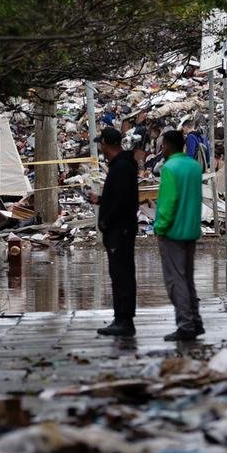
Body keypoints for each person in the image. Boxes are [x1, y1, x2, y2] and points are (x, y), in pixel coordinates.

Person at [88, 127, 139, 336]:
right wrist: (100, 200)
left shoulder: (122, 167)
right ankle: (121, 318)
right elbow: (119, 197)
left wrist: (107, 221)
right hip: (120, 228)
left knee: (122, 275)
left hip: (120, 230)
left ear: (106, 144)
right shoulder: (121, 165)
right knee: (119, 274)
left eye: (101, 143)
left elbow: (121, 201)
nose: (100, 146)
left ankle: (124, 320)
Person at [154, 130, 204, 341]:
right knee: (188, 279)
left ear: (168, 146)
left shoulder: (169, 168)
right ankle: (196, 321)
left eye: (163, 145)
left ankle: (185, 324)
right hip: (191, 230)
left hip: (173, 232)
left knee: (176, 281)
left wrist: (159, 228)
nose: (161, 149)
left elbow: (168, 202)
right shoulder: (194, 167)